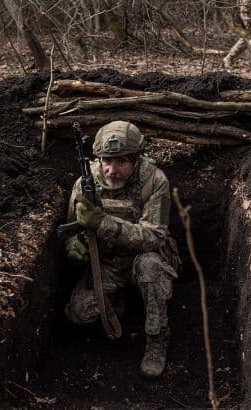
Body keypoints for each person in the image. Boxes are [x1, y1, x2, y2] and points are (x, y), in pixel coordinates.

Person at [63, 120, 180, 379]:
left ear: (137, 160)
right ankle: (118, 299)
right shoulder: (85, 182)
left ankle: (157, 340)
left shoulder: (154, 181)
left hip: (145, 257)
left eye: (122, 162)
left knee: (150, 268)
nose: (112, 170)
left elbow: (152, 236)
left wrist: (103, 223)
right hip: (108, 262)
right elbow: (71, 228)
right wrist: (75, 247)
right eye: (107, 161)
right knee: (79, 313)